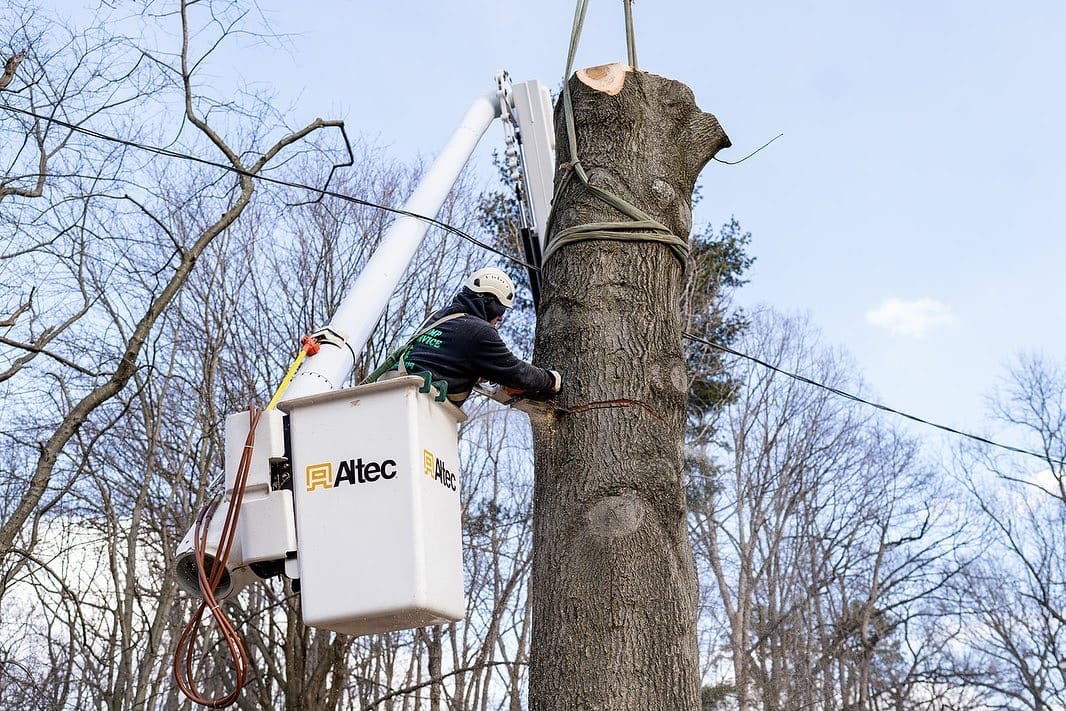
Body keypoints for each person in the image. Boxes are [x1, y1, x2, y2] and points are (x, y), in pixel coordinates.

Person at [397, 267, 561, 407]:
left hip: (393, 393)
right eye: (501, 309)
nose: (501, 318)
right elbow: (517, 373)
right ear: (489, 301)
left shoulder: (437, 318)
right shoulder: (479, 332)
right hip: (424, 405)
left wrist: (482, 373)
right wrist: (551, 380)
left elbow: (442, 360)